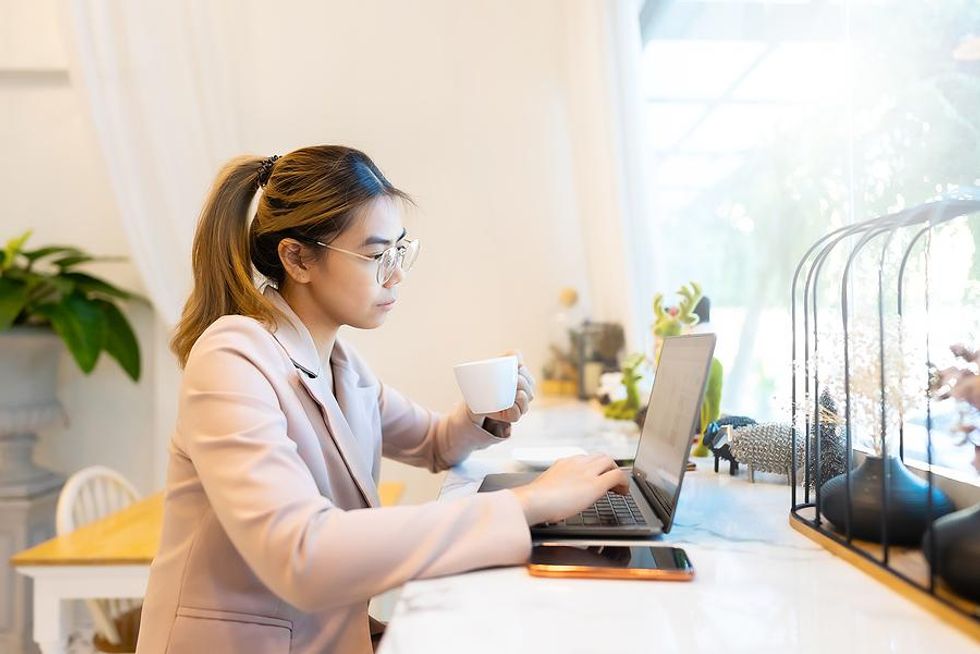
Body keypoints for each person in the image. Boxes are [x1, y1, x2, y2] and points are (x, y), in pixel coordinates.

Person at [135, 145, 628, 654]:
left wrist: (484, 413)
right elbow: (302, 556)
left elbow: (434, 442)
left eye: (400, 251)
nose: (396, 276)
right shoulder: (232, 358)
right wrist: (530, 501)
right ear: (297, 257)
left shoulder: (341, 364)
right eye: (375, 256)